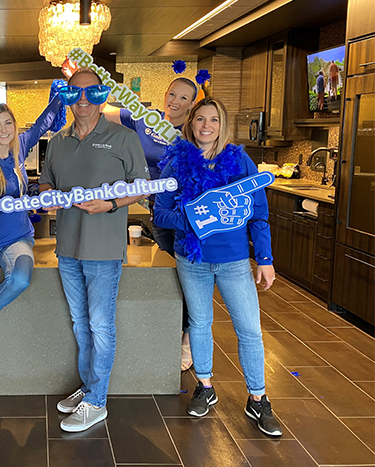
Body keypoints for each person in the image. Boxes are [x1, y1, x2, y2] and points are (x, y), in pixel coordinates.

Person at [153, 97, 283, 437]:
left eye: (213, 120)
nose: (206, 126)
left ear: (222, 125)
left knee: (250, 329)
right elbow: (160, 213)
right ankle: (205, 386)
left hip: (234, 260)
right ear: (191, 123)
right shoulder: (177, 162)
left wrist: (265, 259)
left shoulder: (239, 161)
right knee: (199, 323)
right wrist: (193, 219)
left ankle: (258, 398)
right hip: (191, 259)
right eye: (200, 119)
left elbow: (258, 213)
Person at [39, 68, 148, 433]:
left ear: (102, 96)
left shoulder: (123, 137)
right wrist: (45, 192)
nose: (82, 99)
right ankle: (90, 389)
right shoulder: (57, 141)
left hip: (103, 249)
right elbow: (46, 179)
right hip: (67, 246)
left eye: (90, 92)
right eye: (74, 92)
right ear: (67, 97)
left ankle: (97, 402)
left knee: (101, 326)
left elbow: (143, 187)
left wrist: (113, 204)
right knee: (81, 325)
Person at [0, 97, 62, 405]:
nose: (4, 129)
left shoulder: (19, 146)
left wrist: (60, 93)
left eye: (8, 123)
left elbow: (45, 121)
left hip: (18, 237)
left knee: (19, 279)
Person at [104, 77, 197, 371]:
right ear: (165, 94)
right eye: (172, 94)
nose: (175, 101)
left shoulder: (194, 133)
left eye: (184, 98)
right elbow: (101, 110)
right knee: (170, 275)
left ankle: (187, 339)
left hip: (186, 216)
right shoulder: (144, 118)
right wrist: (86, 88)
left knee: (189, 278)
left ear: (192, 105)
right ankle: (170, 330)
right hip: (157, 209)